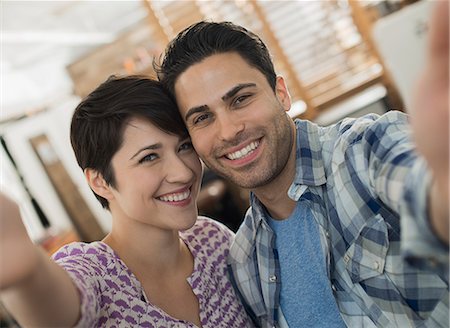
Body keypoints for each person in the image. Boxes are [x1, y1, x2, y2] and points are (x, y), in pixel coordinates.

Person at [156, 1, 449, 327]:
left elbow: (428, 195)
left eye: (241, 99)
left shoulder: (366, 150)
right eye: (203, 117)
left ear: (281, 93)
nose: (228, 131)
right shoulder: (245, 263)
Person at [0, 76, 253, 327]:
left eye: (184, 146)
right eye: (149, 157)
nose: (183, 173)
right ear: (100, 182)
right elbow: (61, 312)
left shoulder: (212, 239)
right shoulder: (96, 274)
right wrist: (28, 275)